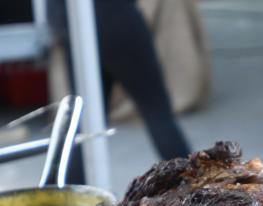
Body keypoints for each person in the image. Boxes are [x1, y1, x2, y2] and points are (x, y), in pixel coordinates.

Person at [48, 0, 191, 184]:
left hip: (75, 27)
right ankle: (196, 185)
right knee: (157, 112)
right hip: (116, 20)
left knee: (85, 124)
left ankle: (66, 199)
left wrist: (59, 26)